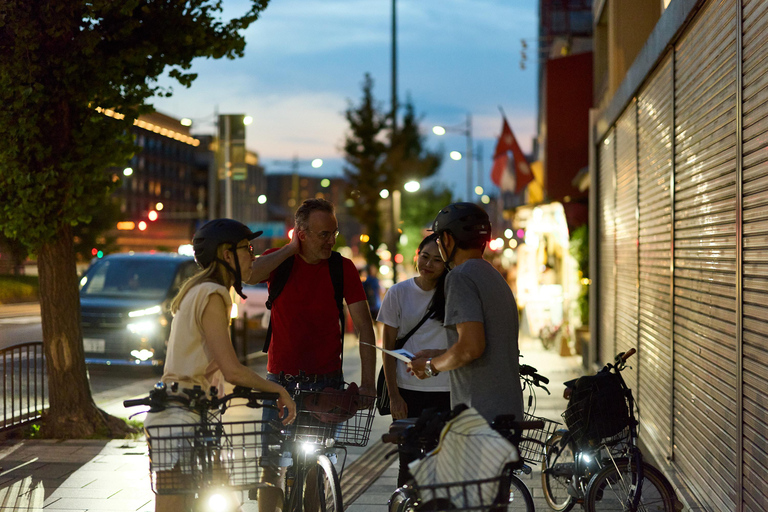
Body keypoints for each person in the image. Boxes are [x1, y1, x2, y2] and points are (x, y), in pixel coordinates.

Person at [143, 218, 297, 512]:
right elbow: (232, 369)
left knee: (224, 499)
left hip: (194, 413)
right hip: (179, 418)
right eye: (247, 248)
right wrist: (277, 389)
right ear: (227, 254)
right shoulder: (212, 294)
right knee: (177, 505)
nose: (253, 255)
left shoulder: (203, 290)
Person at [246, 198, 377, 512]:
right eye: (322, 234)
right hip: (280, 383)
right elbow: (250, 275)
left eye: (333, 233)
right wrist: (290, 250)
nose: (331, 240)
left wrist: (369, 382)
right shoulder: (280, 262)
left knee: (315, 472)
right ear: (301, 234)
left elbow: (365, 327)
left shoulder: (341, 267)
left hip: (326, 385)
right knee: (271, 467)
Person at [409, 202, 524, 425]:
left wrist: (431, 367)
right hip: (507, 412)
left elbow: (472, 347)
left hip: (479, 415)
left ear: (449, 239)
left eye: (440, 239)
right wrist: (440, 353)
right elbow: (489, 345)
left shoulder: (460, 277)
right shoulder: (494, 276)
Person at [377, 233, 451, 487]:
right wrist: (394, 395)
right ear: (416, 256)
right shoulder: (398, 293)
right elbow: (387, 349)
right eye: (424, 257)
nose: (428, 264)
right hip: (408, 392)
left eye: (437, 260)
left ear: (446, 264)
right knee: (407, 464)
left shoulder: (452, 294)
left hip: (446, 390)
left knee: (441, 464)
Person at [362, 263, 382, 339]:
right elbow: (379, 291)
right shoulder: (374, 280)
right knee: (378, 323)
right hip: (376, 304)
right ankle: (379, 338)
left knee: (370, 323)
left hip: (369, 304)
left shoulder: (366, 281)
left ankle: (371, 338)